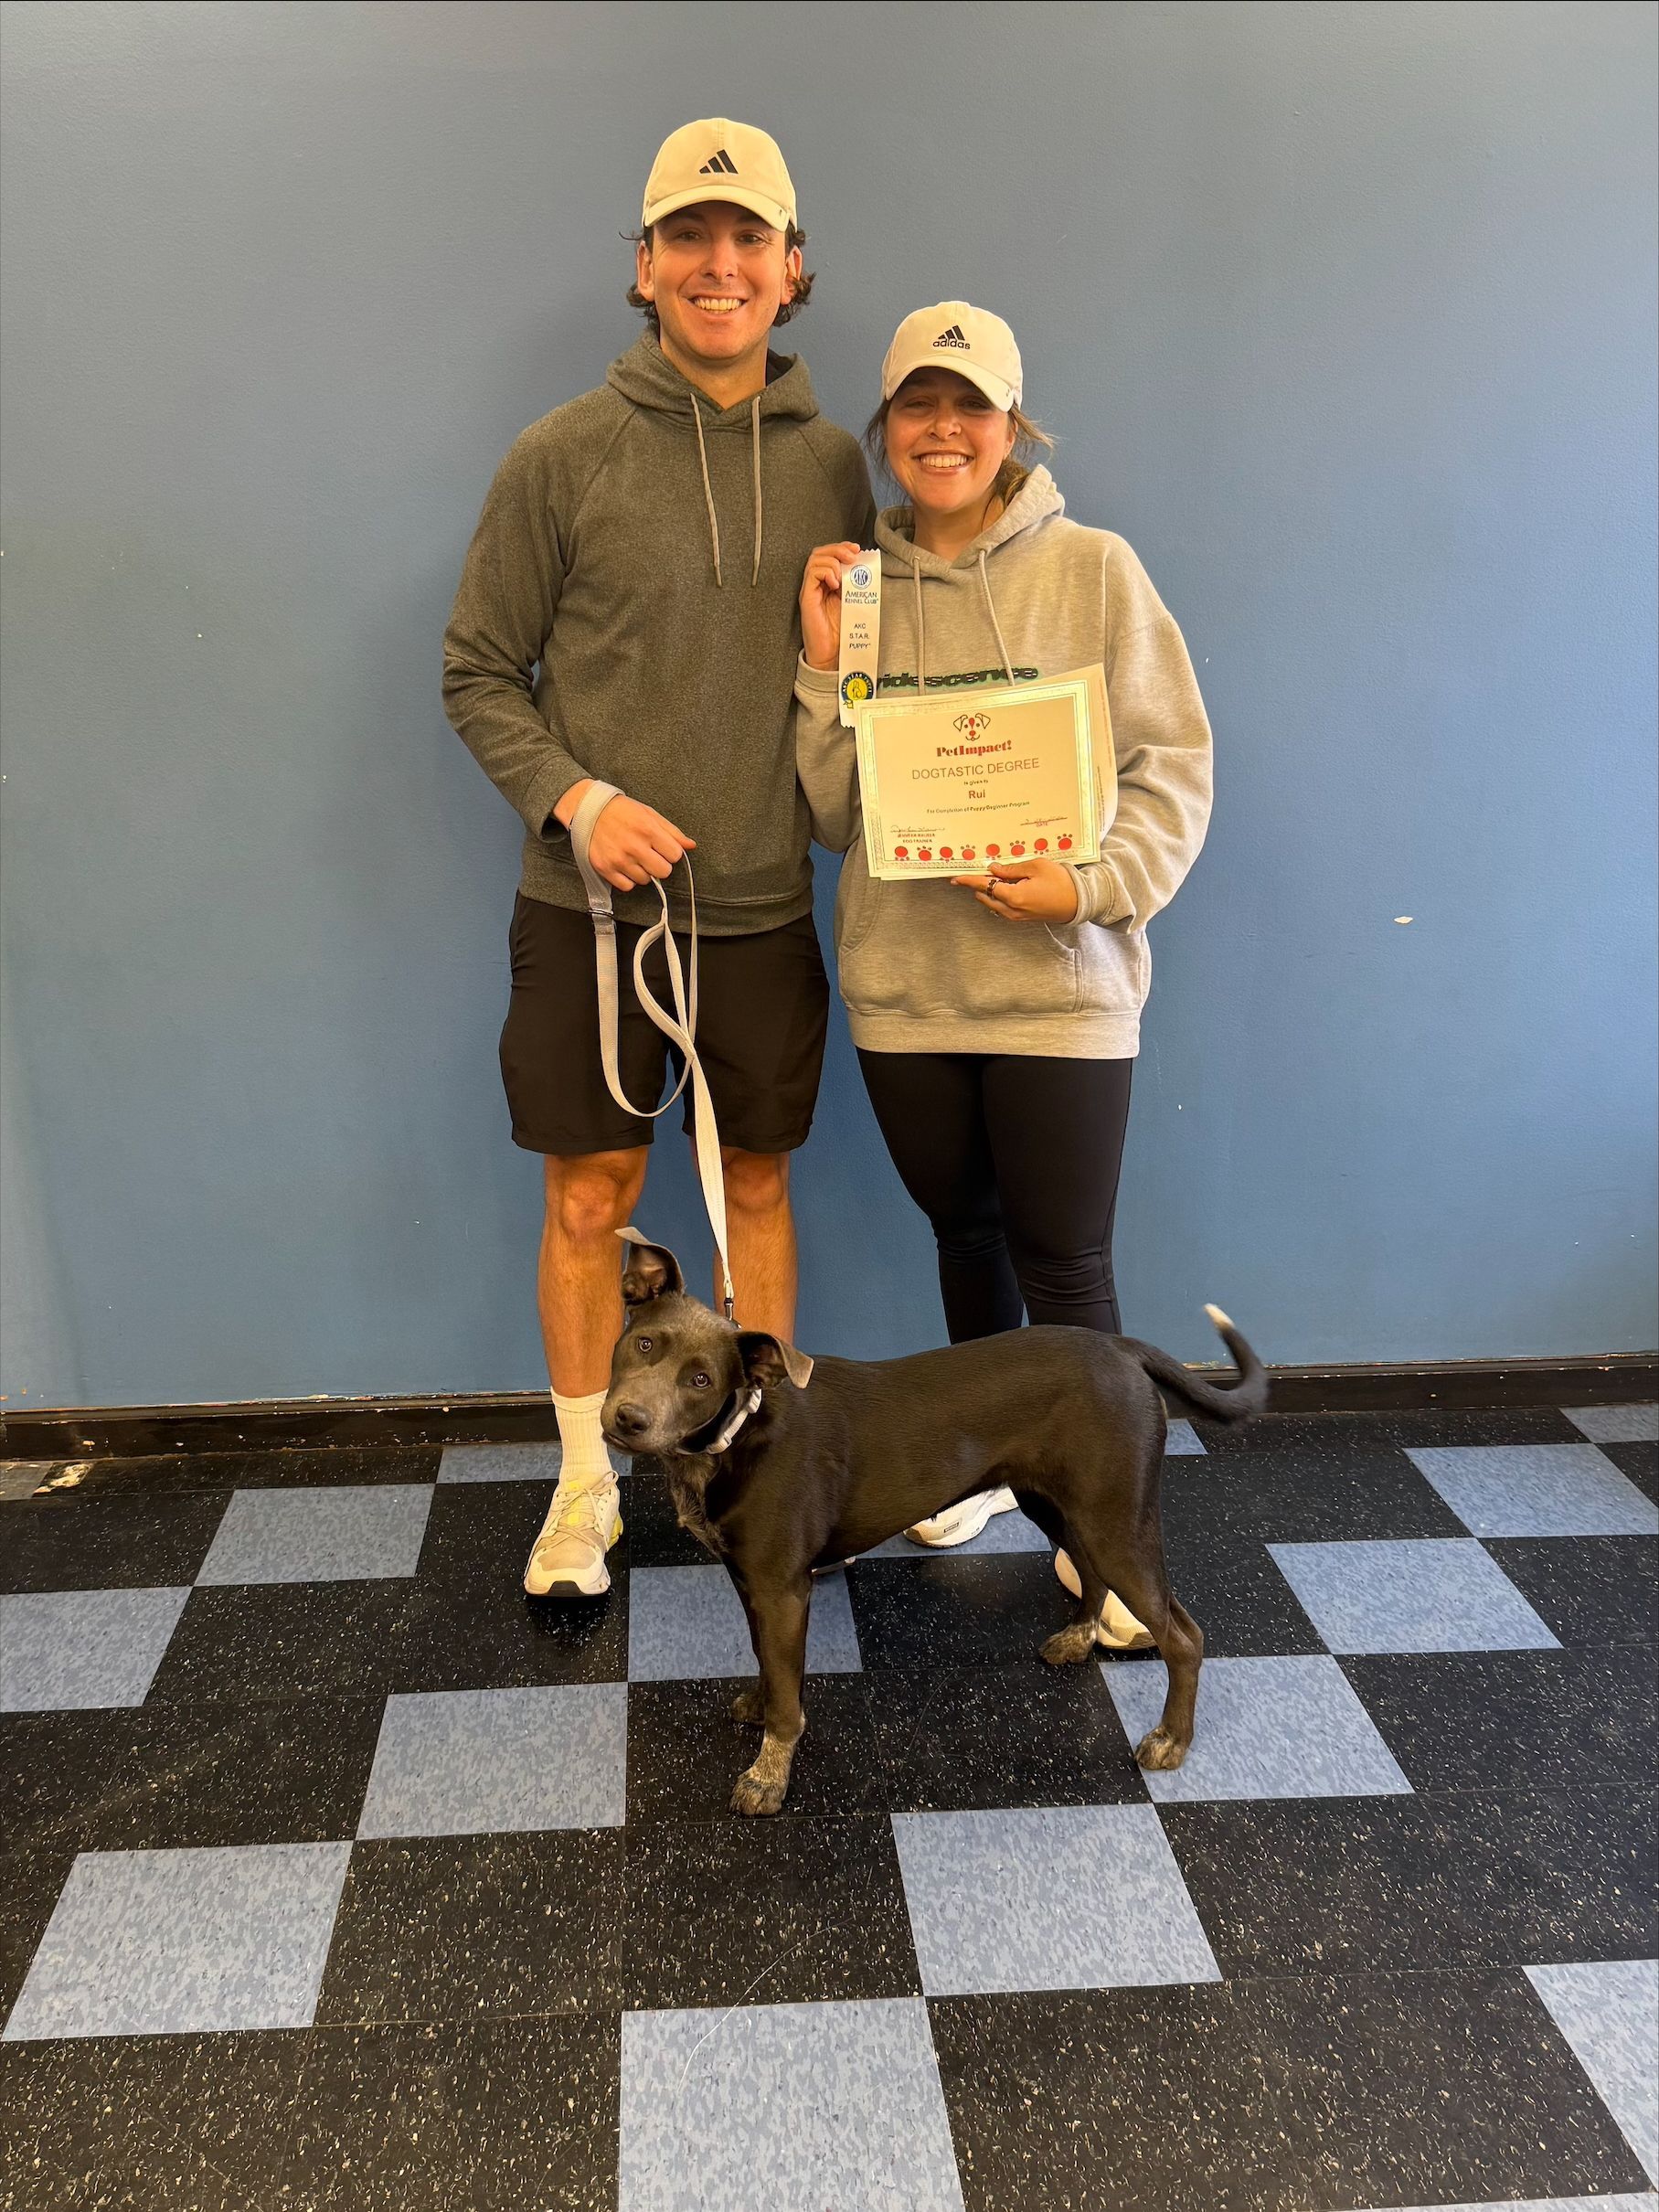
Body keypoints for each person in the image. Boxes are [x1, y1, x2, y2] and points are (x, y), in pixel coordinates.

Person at [443, 121, 871, 1597]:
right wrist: (578, 801)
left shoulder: (838, 467)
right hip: (589, 913)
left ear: (792, 269)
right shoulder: (560, 455)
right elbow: (478, 673)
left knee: (757, 1188)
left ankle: (774, 1473)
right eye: (690, 236)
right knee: (588, 1200)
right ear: (645, 268)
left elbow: (867, 685)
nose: (719, 263)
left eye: (749, 237)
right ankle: (583, 1490)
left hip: (762, 907)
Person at [795, 302, 1212, 1645]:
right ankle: (981, 1465)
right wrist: (820, 668)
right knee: (965, 1241)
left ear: (1011, 426)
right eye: (918, 405)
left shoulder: (1094, 570)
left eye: (969, 406)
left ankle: (1112, 1547)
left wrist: (1085, 885)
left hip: (1060, 988)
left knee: (1067, 1269)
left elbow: (1173, 767)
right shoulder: (860, 588)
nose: (943, 429)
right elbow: (835, 811)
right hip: (909, 992)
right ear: (886, 428)